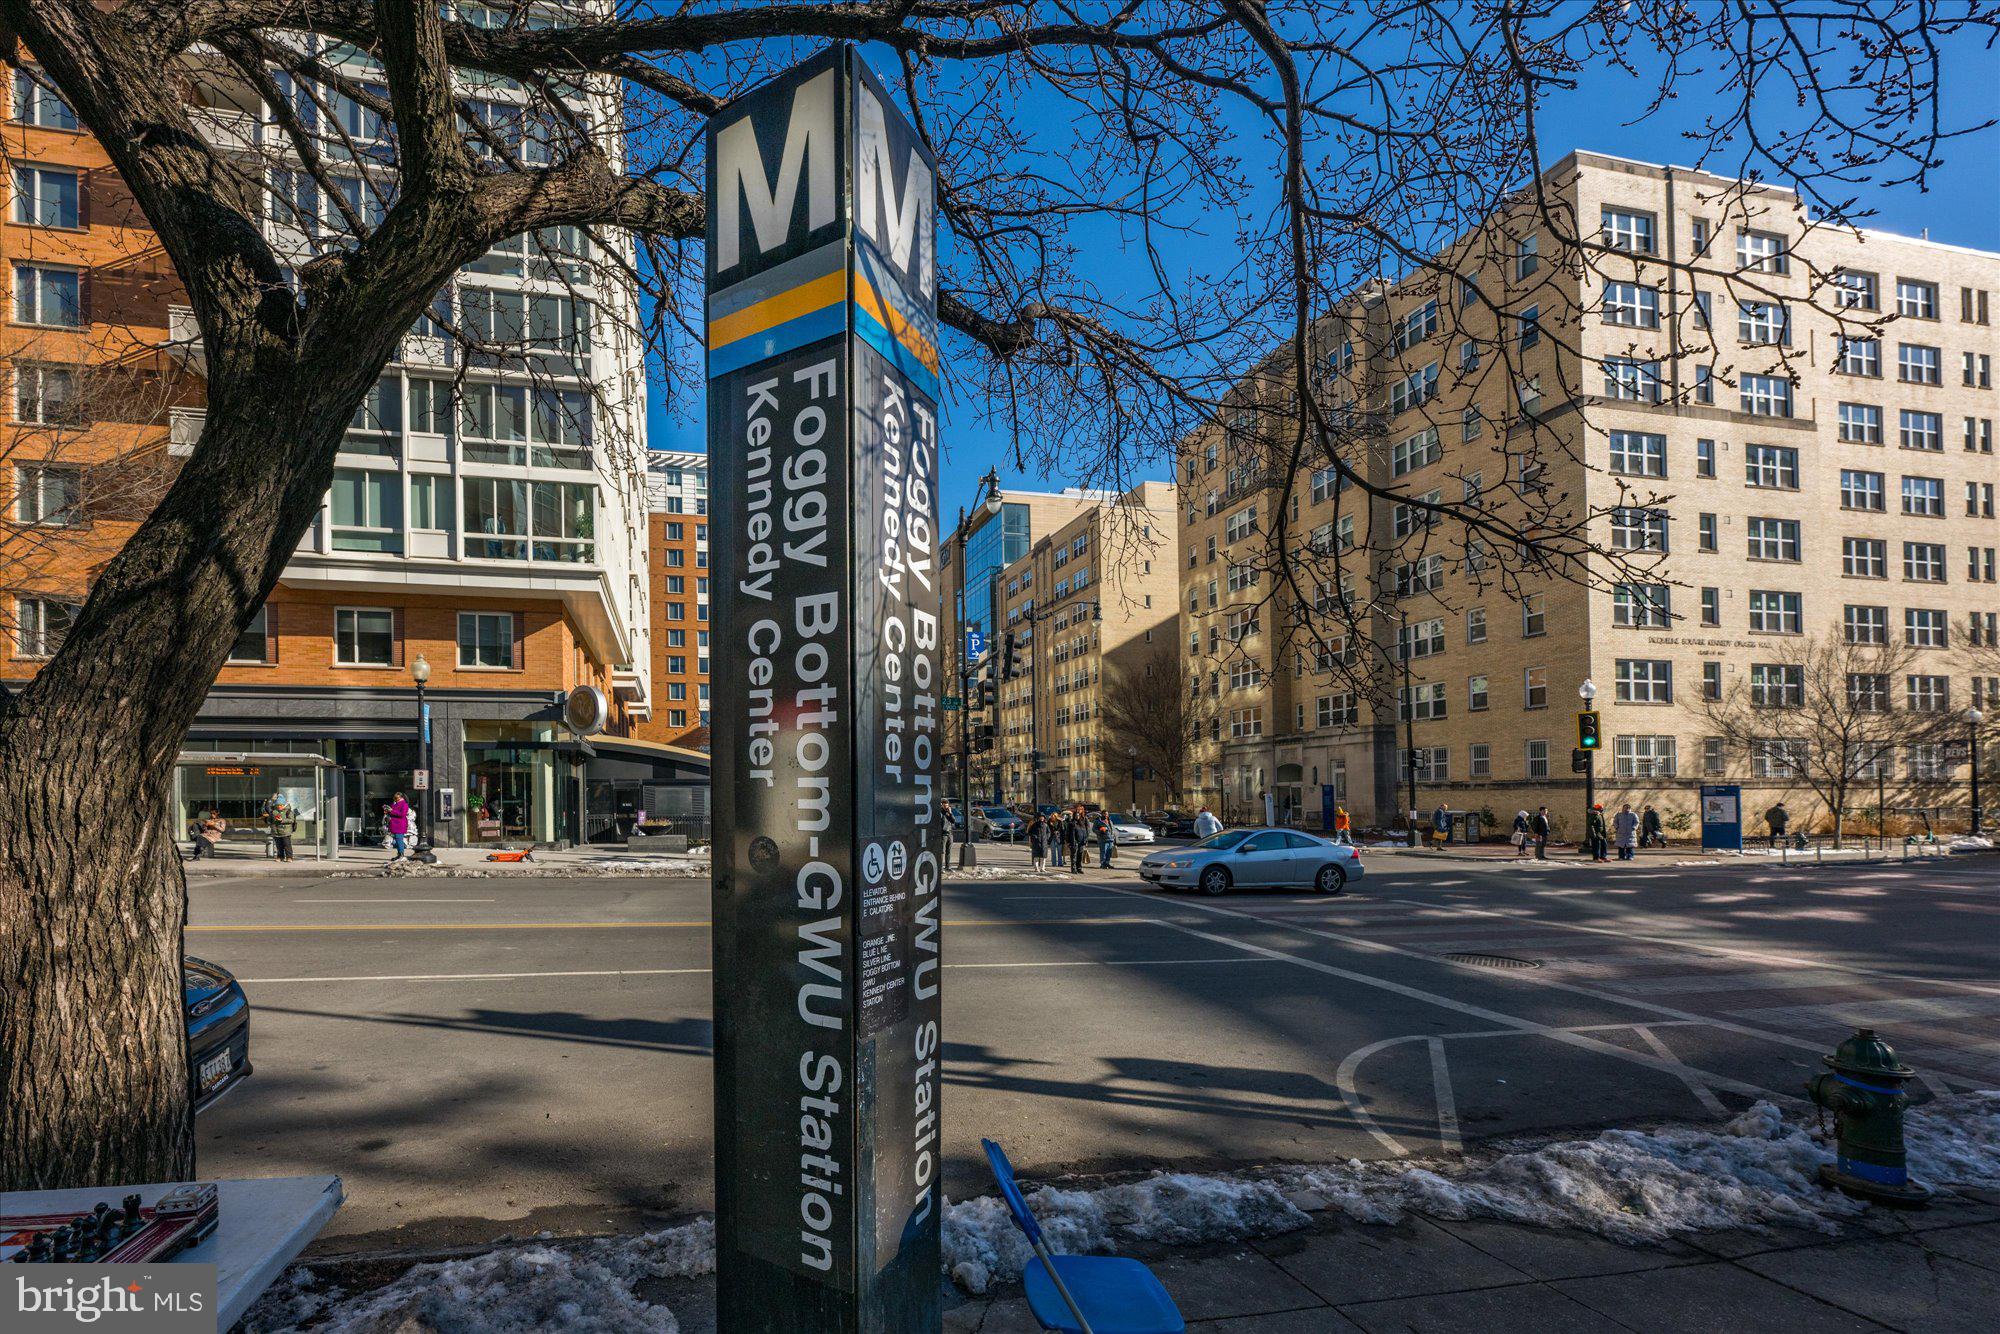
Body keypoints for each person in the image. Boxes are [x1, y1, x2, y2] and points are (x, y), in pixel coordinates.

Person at [267, 798, 298, 863]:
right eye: (278, 805)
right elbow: (269, 820)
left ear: (284, 805)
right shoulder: (273, 811)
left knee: (287, 845)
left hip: (286, 831)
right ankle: (280, 857)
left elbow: (291, 820)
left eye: (281, 805)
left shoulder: (288, 811)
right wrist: (272, 823)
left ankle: (289, 857)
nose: (279, 806)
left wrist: (282, 820)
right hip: (276, 831)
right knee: (279, 845)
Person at [385, 792, 413, 859]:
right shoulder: (395, 803)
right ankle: (399, 854)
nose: (395, 799)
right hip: (394, 823)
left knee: (399, 839)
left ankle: (401, 854)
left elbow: (402, 814)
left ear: (401, 797)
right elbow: (392, 812)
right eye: (395, 797)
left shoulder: (404, 804)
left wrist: (391, 810)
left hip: (400, 824)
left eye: (397, 797)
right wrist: (387, 810)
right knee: (397, 840)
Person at [1068, 806, 1090, 873]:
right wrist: (1071, 842)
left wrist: (1085, 840)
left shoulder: (1082, 822)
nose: (1077, 816)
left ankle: (1079, 868)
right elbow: (1069, 834)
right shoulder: (1072, 823)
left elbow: (1085, 832)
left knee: (1080, 856)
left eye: (1078, 815)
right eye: (1076, 815)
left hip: (1081, 842)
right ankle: (1073, 869)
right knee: (1074, 856)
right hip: (1074, 842)